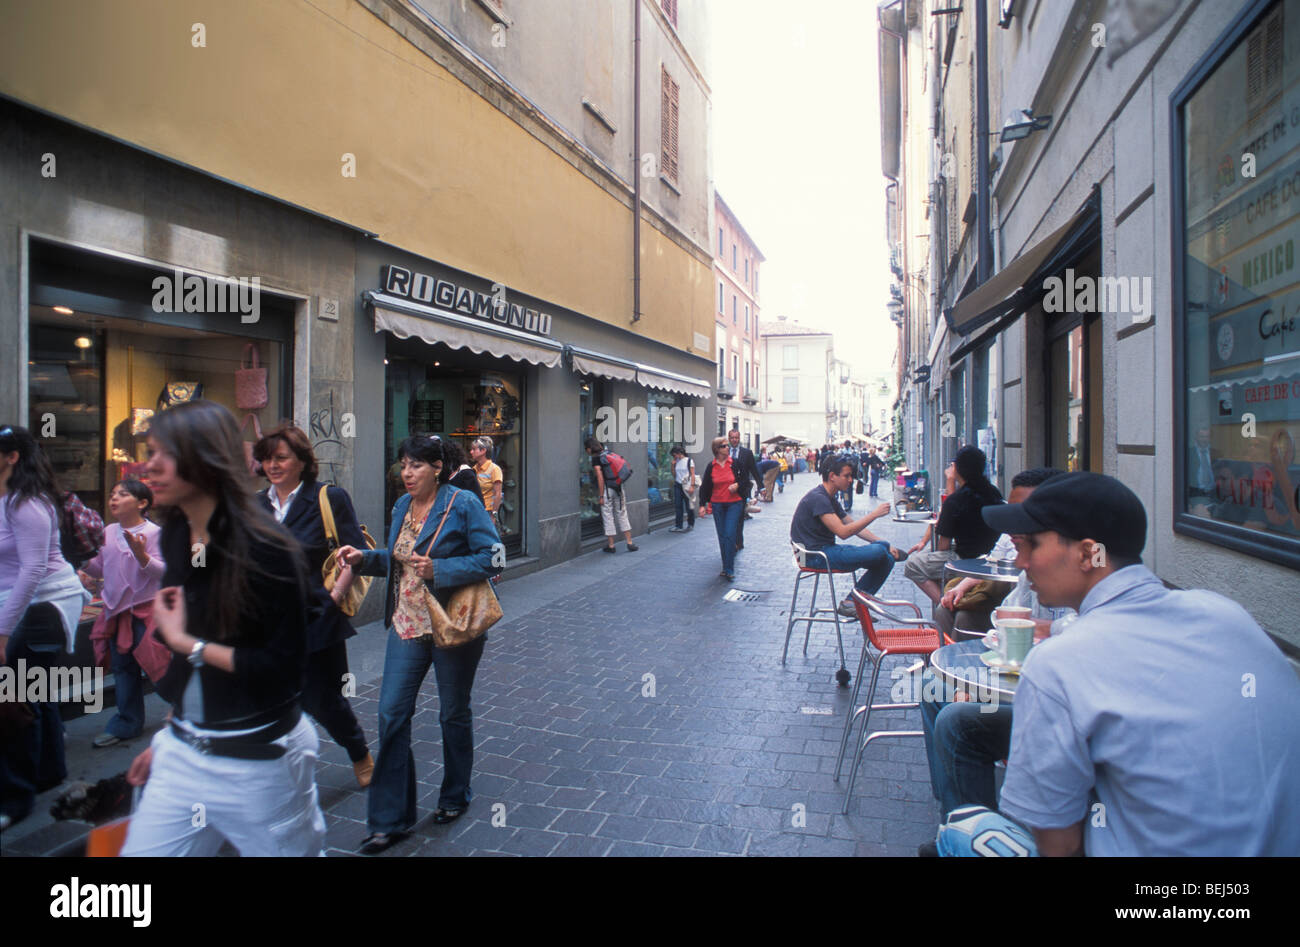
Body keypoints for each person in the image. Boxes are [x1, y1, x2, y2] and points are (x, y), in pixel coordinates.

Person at [949, 472, 1300, 856]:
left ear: (1088, 554)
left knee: (963, 834)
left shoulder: (1059, 663)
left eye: (1031, 544)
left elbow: (1059, 846)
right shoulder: (1227, 615)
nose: (1021, 560)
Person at [120, 401, 325, 856]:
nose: (148, 465)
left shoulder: (269, 552)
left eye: (164, 453)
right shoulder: (176, 533)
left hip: (262, 763)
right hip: (185, 752)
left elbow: (281, 668)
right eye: (149, 451)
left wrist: (187, 644)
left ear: (206, 459)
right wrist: (172, 735)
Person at [337, 435, 502, 855]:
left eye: (416, 466)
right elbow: (398, 561)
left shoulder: (461, 504)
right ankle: (390, 820)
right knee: (391, 713)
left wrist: (442, 568)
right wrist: (364, 559)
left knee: (452, 713)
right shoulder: (399, 508)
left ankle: (454, 794)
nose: (407, 474)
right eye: (404, 466)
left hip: (452, 626)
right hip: (408, 625)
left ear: (438, 468)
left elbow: (494, 557)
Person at [917, 468, 1071, 841]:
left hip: (1059, 711)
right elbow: (1006, 625)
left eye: (1028, 535)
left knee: (957, 717)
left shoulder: (1101, 606)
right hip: (1030, 694)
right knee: (933, 686)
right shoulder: (1032, 576)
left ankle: (976, 834)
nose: (1019, 558)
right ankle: (955, 823)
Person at [253, 424, 374, 787]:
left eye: (280, 457)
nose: (272, 465)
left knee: (324, 700)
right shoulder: (257, 505)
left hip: (316, 616)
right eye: (266, 458)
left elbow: (356, 554)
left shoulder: (328, 497)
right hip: (268, 621)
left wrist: (334, 598)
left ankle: (358, 751)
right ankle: (281, 769)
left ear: (303, 461)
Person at [0, 425, 89, 833]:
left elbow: (34, 569)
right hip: (25, 606)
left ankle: (14, 800)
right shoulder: (6, 500)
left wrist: (3, 631)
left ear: (11, 456)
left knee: (16, 697)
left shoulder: (25, 504)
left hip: (46, 605)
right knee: (36, 691)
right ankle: (49, 774)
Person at [79, 479, 171, 748]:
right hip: (115, 611)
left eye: (123, 494)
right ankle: (127, 722)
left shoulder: (155, 533)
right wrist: (84, 561)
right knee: (122, 668)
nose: (114, 499)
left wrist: (142, 556)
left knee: (159, 665)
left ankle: (186, 712)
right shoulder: (108, 531)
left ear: (142, 503)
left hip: (148, 610)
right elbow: (99, 568)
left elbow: (165, 572)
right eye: (112, 494)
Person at [790, 456, 907, 616]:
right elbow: (843, 532)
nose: (851, 480)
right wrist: (874, 515)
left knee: (886, 558)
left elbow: (854, 527)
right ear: (832, 476)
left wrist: (885, 543)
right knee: (880, 552)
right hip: (812, 556)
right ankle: (854, 602)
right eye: (847, 476)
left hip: (823, 551)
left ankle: (852, 602)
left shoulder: (829, 498)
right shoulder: (819, 499)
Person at [903, 446, 1002, 606]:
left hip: (966, 557)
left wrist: (950, 482)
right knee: (928, 553)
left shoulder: (956, 500)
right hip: (990, 552)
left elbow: (943, 546)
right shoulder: (994, 492)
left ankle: (946, 605)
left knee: (913, 565)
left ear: (958, 468)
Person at [699, 436, 751, 581]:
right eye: (724, 446)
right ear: (717, 449)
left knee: (729, 534)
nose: (728, 448)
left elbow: (746, 479)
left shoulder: (735, 463)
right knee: (722, 536)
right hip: (717, 505)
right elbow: (705, 487)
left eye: (727, 445)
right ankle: (725, 567)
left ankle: (729, 568)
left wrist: (737, 485)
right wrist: (702, 505)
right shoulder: (711, 466)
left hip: (734, 503)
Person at [585, 437, 638, 553]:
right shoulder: (608, 453)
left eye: (586, 449)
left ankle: (611, 545)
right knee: (622, 513)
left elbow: (600, 477)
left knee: (608, 515)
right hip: (619, 487)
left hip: (607, 490)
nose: (587, 452)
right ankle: (629, 542)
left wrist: (600, 496)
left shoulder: (596, 459)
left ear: (589, 449)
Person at [726, 429, 761, 552]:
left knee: (739, 517)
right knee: (729, 519)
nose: (734, 440)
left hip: (742, 490)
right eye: (732, 438)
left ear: (739, 438)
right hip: (727, 491)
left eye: (736, 438)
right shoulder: (724, 452)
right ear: (729, 438)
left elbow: (754, 470)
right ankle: (731, 541)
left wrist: (761, 487)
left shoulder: (747, 453)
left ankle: (738, 542)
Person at [469, 436, 503, 528]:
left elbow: (498, 493)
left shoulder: (494, 469)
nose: (471, 452)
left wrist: (494, 515)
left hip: (488, 512)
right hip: (476, 510)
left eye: (474, 449)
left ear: (483, 450)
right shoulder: (474, 469)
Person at [668, 445, 695, 533]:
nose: (674, 457)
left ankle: (690, 524)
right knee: (678, 505)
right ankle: (678, 525)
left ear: (679, 453)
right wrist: (672, 466)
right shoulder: (676, 462)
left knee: (688, 506)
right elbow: (674, 475)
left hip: (686, 485)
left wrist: (692, 486)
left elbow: (692, 474)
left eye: (674, 455)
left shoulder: (689, 461)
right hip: (678, 485)